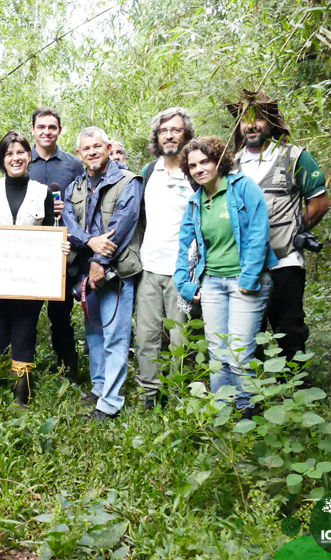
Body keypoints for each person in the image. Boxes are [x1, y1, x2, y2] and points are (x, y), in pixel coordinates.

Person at [226, 90, 331, 367]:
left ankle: (298, 393)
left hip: (285, 262)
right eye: (244, 119)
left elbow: (320, 203)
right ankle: (254, 395)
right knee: (248, 331)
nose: (251, 125)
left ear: (271, 122)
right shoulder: (230, 164)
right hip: (243, 265)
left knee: (289, 330)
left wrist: (296, 232)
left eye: (258, 118)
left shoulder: (294, 157)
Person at [174, 137, 275, 417]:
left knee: (241, 352)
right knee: (218, 351)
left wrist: (249, 277)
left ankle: (247, 412)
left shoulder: (243, 188)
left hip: (244, 282)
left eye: (204, 161)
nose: (198, 169)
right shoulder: (196, 202)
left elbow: (258, 232)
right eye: (192, 165)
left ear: (219, 160)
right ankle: (223, 410)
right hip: (213, 284)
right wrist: (185, 284)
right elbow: (185, 247)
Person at [0, 131, 70, 407]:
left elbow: (51, 235)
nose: (15, 158)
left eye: (20, 152)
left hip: (31, 282)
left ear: (29, 155)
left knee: (25, 333)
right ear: (2, 159)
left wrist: (60, 248)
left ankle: (22, 399)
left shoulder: (43, 193)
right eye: (8, 153)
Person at [63, 127, 144, 422]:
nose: (93, 152)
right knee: (93, 332)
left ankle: (110, 403)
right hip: (85, 274)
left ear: (109, 148)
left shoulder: (128, 182)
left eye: (98, 146)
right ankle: (99, 386)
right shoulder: (75, 186)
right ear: (79, 154)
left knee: (115, 336)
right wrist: (89, 242)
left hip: (117, 272)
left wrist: (99, 259)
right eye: (87, 149)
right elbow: (69, 224)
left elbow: (123, 226)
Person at [135, 108, 197, 409]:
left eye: (175, 130)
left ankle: (178, 399)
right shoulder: (149, 171)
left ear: (186, 133)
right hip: (149, 267)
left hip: (183, 270)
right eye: (163, 131)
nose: (169, 135)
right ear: (156, 137)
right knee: (146, 336)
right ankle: (149, 396)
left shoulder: (195, 171)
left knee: (180, 338)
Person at [28, 107, 85, 384]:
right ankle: (22, 369)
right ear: (33, 130)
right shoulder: (23, 162)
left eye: (52, 127)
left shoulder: (74, 164)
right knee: (26, 313)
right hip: (29, 252)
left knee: (60, 314)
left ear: (60, 130)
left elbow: (85, 200)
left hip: (64, 253)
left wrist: (69, 206)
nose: (47, 132)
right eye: (42, 127)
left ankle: (68, 371)